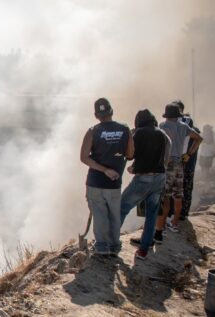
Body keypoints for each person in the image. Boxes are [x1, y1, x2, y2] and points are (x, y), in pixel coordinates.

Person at [80, 97, 134, 256]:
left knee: (99, 214)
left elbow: (84, 157)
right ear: (112, 112)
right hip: (114, 182)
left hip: (95, 182)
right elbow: (130, 154)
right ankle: (114, 246)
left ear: (96, 115)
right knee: (114, 214)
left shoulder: (92, 131)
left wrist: (103, 170)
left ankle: (102, 247)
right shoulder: (125, 129)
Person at [119, 109, 170, 260]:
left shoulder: (139, 133)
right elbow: (165, 155)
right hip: (159, 178)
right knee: (152, 214)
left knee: (121, 207)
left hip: (143, 179)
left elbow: (130, 155)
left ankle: (111, 242)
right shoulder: (161, 133)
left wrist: (130, 139)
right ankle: (143, 249)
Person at [155, 103, 203, 241]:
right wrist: (188, 154)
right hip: (180, 163)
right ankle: (174, 224)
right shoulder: (184, 126)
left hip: (168, 163)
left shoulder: (162, 126)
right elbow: (199, 138)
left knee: (165, 196)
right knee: (178, 195)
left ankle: (162, 226)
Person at [173, 101, 201, 219]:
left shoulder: (185, 127)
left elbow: (198, 140)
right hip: (185, 163)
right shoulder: (189, 128)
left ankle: (179, 215)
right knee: (185, 188)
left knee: (180, 189)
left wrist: (188, 154)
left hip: (184, 163)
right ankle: (182, 214)